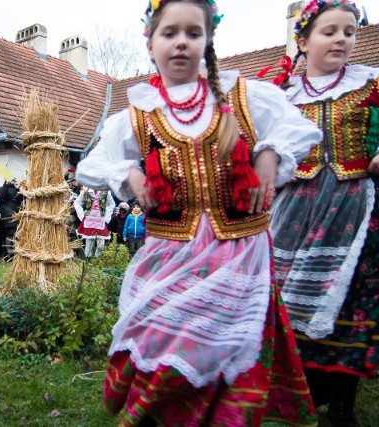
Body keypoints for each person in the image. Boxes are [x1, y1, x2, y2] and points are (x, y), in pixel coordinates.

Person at [75, 0, 324, 425]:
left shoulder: (243, 98)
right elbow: (91, 165)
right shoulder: (138, 114)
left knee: (230, 349)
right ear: (150, 43)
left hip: (239, 254)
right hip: (171, 254)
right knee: (168, 346)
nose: (181, 43)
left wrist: (269, 153)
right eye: (169, 33)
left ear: (207, 41)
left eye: (193, 33)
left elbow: (298, 127)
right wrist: (130, 175)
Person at [267, 1, 379, 425]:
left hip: (354, 213)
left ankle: (345, 406)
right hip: (295, 213)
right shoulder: (283, 95)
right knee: (291, 302)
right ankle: (305, 392)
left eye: (348, 32)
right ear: (303, 40)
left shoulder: (370, 84)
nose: (341, 40)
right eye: (329, 31)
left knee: (348, 306)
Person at [73, 187, 115, 257]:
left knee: (101, 243)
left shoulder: (105, 192)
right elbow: (77, 202)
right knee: (89, 243)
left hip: (100, 221)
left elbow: (111, 204)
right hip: (89, 220)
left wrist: (107, 216)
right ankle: (88, 261)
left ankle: (97, 261)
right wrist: (82, 215)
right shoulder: (86, 191)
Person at [0, 178, 23, 256]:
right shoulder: (5, 188)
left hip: (16, 214)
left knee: (16, 234)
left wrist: (19, 188)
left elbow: (21, 198)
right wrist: (6, 184)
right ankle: (9, 253)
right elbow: (2, 195)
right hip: (8, 215)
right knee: (9, 234)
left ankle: (15, 252)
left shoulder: (15, 189)